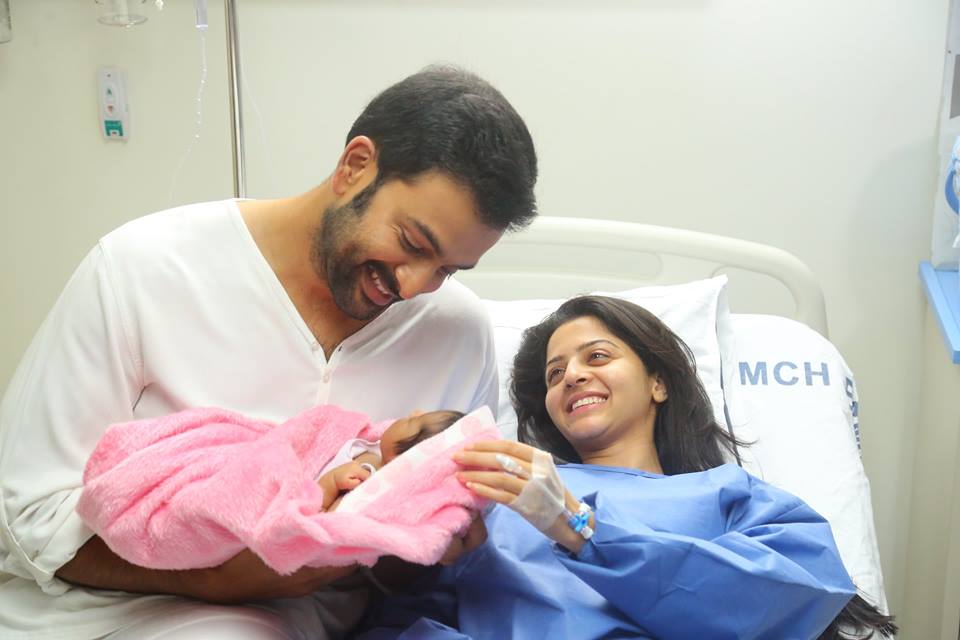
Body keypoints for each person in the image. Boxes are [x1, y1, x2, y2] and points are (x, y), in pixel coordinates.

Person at [0, 65, 537, 640]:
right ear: (355, 166)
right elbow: (26, 516)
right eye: (411, 243)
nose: (413, 286)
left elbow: (415, 556)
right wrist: (222, 580)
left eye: (448, 269)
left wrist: (427, 541)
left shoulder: (458, 333)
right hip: (99, 612)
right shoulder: (142, 269)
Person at [358, 296, 897, 639]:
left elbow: (790, 593)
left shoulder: (729, 494)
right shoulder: (496, 500)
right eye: (554, 375)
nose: (571, 376)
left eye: (597, 357)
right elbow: (400, 622)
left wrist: (581, 529)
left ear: (658, 383)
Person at [77, 405, 494, 575]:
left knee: (209, 494)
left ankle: (146, 496)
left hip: (270, 479)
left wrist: (329, 483)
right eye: (418, 417)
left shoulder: (370, 475)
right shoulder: (367, 436)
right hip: (253, 449)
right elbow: (304, 433)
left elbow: (321, 519)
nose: (413, 413)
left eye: (415, 425)